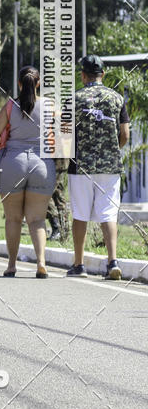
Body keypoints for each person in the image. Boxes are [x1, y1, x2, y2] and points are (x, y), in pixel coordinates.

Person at [0, 66, 56, 278]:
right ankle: (41, 263)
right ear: (38, 84)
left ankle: (11, 265)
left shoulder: (10, 105)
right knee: (37, 220)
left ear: (20, 83)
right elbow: (65, 131)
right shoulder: (50, 105)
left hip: (13, 164)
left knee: (13, 218)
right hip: (42, 165)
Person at [66, 55, 130, 280]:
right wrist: (112, 150)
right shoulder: (116, 98)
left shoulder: (74, 99)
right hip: (110, 166)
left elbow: (64, 135)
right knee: (108, 215)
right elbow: (125, 134)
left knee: (80, 214)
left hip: (80, 166)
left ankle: (79, 264)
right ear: (102, 74)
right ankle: (113, 261)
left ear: (83, 75)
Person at [46, 160, 70, 241]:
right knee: (58, 194)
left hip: (55, 156)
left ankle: (58, 228)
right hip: (58, 158)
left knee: (45, 193)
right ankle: (63, 228)